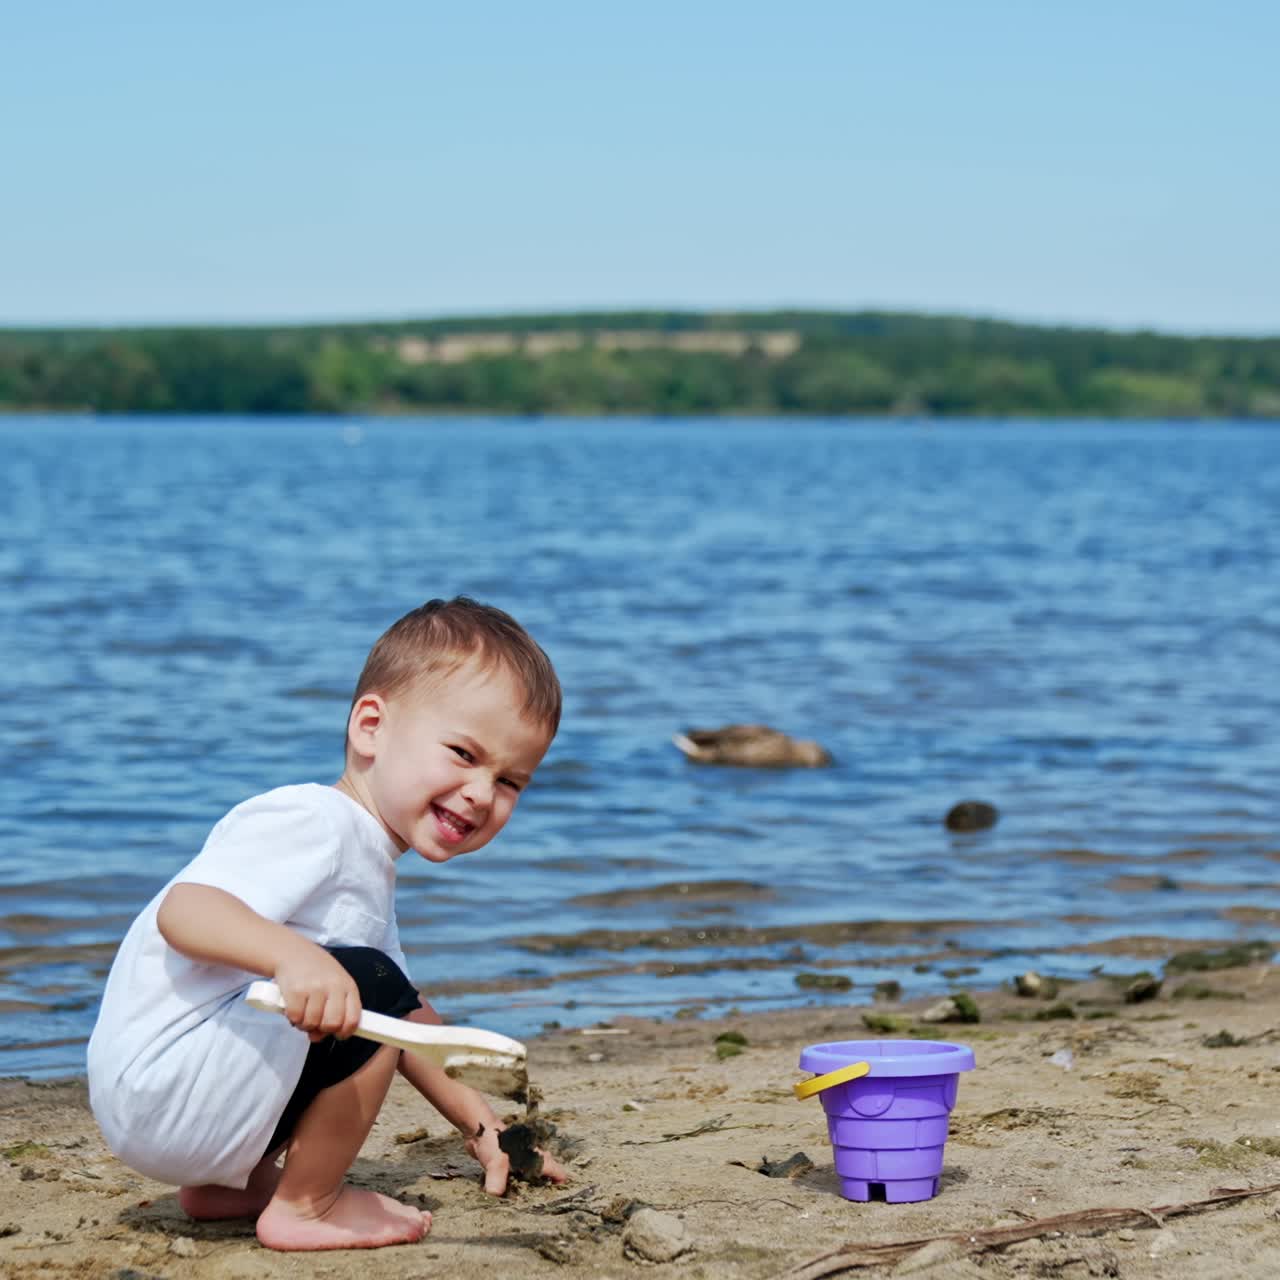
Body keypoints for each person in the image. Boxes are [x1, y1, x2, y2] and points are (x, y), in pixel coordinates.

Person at [87, 597, 567, 1251]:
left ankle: (228, 1186)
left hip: (177, 1107)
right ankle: (306, 1206)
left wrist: (482, 1125)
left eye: (510, 780)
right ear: (371, 726)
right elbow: (185, 911)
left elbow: (404, 1024)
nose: (482, 792)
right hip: (164, 1084)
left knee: (363, 989)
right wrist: (294, 957)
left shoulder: (366, 864)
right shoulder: (312, 821)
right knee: (357, 981)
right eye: (462, 753)